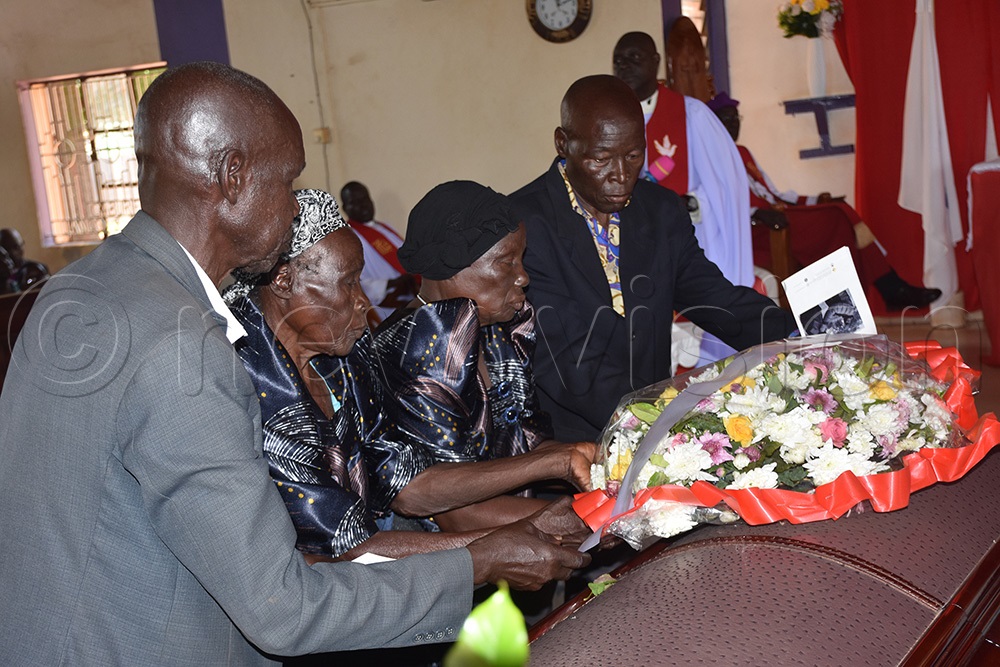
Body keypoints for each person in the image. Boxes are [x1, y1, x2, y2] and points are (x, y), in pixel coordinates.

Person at [0, 62, 588, 665]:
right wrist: (478, 562)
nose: (294, 205)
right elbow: (283, 607)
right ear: (233, 177)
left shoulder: (80, 290)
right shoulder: (186, 348)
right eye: (288, 180)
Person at [226, 187, 594, 561]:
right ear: (284, 280)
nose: (363, 302)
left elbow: (407, 486)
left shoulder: (342, 357)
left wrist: (559, 469)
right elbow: (341, 548)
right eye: (349, 282)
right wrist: (495, 549)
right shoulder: (252, 384)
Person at [508, 74, 797, 443]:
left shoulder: (659, 210)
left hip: (656, 421)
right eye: (601, 159)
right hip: (569, 440)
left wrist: (794, 334)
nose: (621, 176)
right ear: (563, 143)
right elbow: (565, 356)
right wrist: (663, 417)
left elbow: (713, 297)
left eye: (633, 155)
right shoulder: (524, 224)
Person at [373, 181, 597, 531]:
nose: (523, 276)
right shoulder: (421, 340)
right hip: (438, 564)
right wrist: (591, 517)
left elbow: (525, 441)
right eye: (506, 262)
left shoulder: (492, 328)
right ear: (452, 267)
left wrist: (595, 462)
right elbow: (453, 512)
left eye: (521, 259)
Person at [708, 92, 942, 311]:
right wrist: (755, 214)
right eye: (726, 118)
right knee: (836, 218)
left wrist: (813, 199)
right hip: (754, 229)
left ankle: (879, 291)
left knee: (840, 211)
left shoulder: (742, 151)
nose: (733, 123)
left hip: (776, 213)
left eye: (736, 117)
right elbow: (715, 204)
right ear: (712, 124)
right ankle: (883, 290)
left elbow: (772, 192)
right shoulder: (710, 156)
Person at [612, 31, 753, 363]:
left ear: (656, 62)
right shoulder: (611, 119)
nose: (625, 66)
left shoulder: (693, 116)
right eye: (619, 60)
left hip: (688, 243)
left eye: (635, 58)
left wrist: (691, 202)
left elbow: (725, 184)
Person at [340, 181, 419, 324]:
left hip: (413, 298)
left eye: (365, 199)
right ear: (346, 208)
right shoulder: (348, 239)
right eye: (355, 202)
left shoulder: (385, 228)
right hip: (388, 310)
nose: (363, 205)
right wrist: (391, 284)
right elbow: (355, 283)